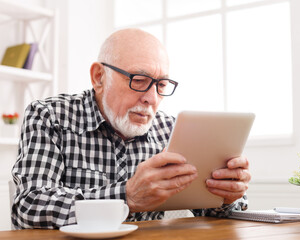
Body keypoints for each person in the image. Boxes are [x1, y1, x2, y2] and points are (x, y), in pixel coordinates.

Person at [11, 28, 251, 229]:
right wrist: (126, 196)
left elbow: (213, 211)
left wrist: (227, 196)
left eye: (161, 85)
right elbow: (29, 206)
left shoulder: (170, 130)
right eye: (138, 80)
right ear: (99, 77)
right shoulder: (50, 116)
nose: (151, 98)